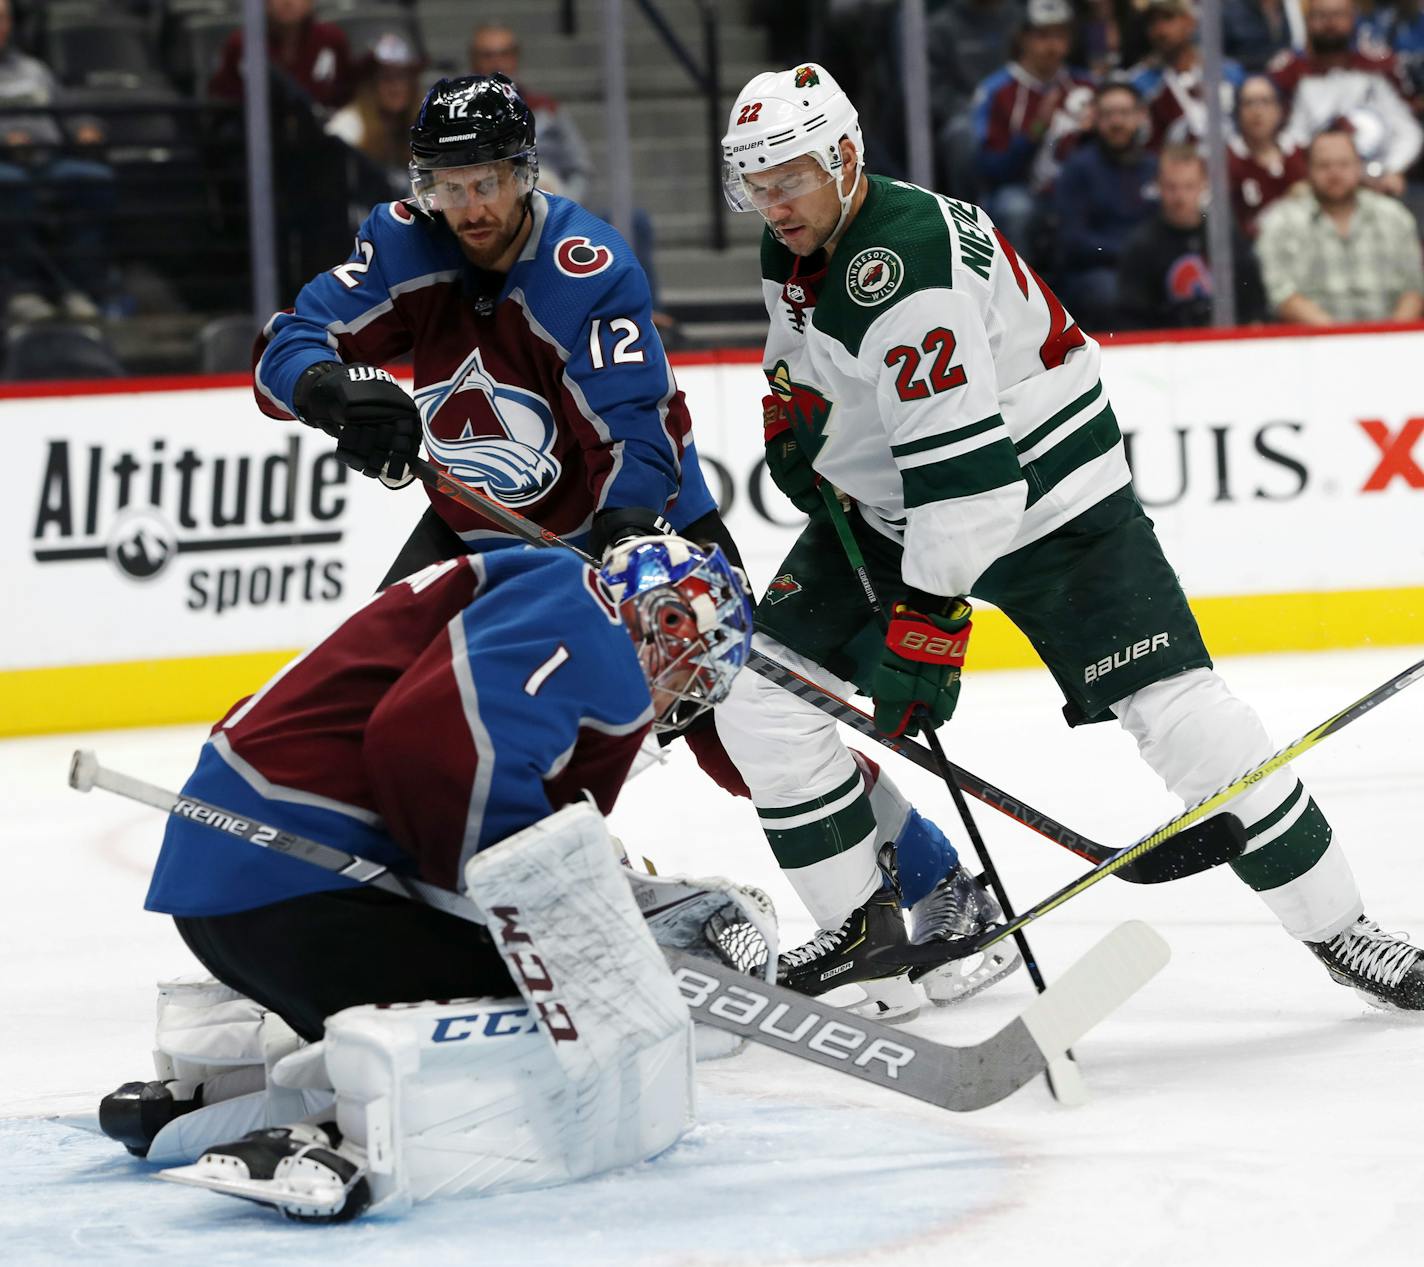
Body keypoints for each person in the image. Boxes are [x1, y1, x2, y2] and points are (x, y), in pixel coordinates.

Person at [715, 61, 1424, 1013]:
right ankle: (875, 937)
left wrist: (925, 627)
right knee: (763, 702)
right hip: (891, 518)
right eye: (755, 184)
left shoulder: (905, 268)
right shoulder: (797, 237)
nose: (772, 202)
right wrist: (796, 415)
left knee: (1190, 722)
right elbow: (807, 355)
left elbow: (970, 486)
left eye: (789, 176)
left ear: (846, 157)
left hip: (1056, 506)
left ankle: (1346, 930)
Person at [96, 536, 755, 1219]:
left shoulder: (537, 587)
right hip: (303, 892)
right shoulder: (593, 623)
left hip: (239, 885)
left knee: (500, 965)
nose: (679, 693)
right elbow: (435, 746)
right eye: (690, 671)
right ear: (668, 620)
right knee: (560, 1003)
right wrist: (547, 920)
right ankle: (340, 1136)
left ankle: (216, 1092)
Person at [0, 0, 116, 323]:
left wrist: (83, 127)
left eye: (3, 19)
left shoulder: (33, 69)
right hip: (5, 167)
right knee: (11, 188)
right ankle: (24, 291)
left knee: (94, 179)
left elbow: (67, 108)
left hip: (48, 161)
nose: (0, 26)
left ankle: (78, 289)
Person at [1256, 127, 1424, 323]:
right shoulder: (1281, 222)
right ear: (1308, 169)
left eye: (1343, 164)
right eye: (1324, 165)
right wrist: (1340, 340)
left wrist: (1388, 339)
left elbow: (1414, 288)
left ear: (1358, 166)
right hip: (1312, 346)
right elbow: (1283, 295)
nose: (1334, 173)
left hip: (1392, 344)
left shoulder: (1394, 217)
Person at [970, 0, 1094, 247]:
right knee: (1015, 209)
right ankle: (1021, 285)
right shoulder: (997, 91)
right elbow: (991, 168)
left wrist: (1095, 133)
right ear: (1023, 38)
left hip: (1078, 189)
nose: (1052, 46)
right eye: (1043, 36)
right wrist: (1036, 130)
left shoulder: (1086, 86)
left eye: (1060, 36)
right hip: (1024, 190)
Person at [1269, 0, 1421, 197]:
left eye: (1338, 15)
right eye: (1321, 16)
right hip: (1312, 186)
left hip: (1380, 183)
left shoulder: (1379, 66)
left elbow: (1407, 132)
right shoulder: (1287, 73)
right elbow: (1282, 139)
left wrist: (1391, 170)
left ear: (1353, 18)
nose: (1330, 23)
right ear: (1307, 21)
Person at [1116, 143, 1266, 327]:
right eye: (1172, 187)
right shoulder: (1142, 246)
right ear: (1158, 186)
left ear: (1203, 185)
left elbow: (1253, 307)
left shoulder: (1225, 237)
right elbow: (1132, 320)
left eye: (1189, 186)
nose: (1180, 197)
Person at [1051, 79, 1160, 328]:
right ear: (1096, 119)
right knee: (1109, 294)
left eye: (1124, 113)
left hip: (1148, 266)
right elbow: (1073, 239)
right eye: (1108, 114)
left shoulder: (1154, 167)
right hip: (1098, 271)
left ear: (1140, 116)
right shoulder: (1078, 168)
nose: (1117, 122)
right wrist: (1129, 254)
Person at [1128, 0, 1246, 148]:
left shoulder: (1227, 72)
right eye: (1152, 22)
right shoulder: (1139, 83)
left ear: (1190, 22)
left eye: (1168, 18)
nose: (1160, 30)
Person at [325, 31, 425, 200]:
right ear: (370, 83)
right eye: (386, 78)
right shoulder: (345, 128)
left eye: (403, 77)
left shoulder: (425, 124)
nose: (396, 87)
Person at [208, 0, 354, 109]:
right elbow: (222, 100)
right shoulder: (243, 44)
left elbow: (348, 93)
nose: (288, 2)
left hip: (322, 139)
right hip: (261, 140)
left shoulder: (331, 39)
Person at [1228, 73, 1308, 237]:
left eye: (1265, 101)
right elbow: (1204, 215)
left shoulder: (1301, 155)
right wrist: (1205, 211)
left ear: (1280, 109)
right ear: (1237, 112)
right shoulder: (1225, 162)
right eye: (1249, 103)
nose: (1257, 111)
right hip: (1247, 254)